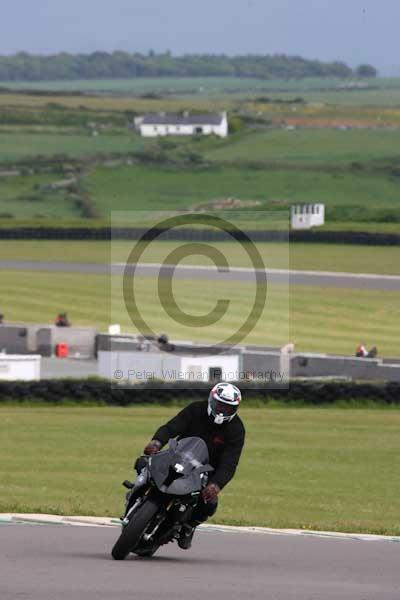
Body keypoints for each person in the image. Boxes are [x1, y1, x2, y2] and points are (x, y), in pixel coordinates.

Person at [142, 382, 245, 550]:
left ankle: (189, 526)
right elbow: (171, 427)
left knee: (209, 503)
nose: (222, 410)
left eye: (228, 408)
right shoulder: (196, 409)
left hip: (204, 470)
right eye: (220, 405)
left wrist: (215, 485)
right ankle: (136, 492)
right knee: (144, 463)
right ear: (212, 400)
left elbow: (230, 462)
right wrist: (156, 442)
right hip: (178, 455)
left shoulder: (236, 429)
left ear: (235, 409)